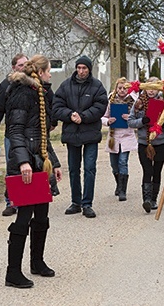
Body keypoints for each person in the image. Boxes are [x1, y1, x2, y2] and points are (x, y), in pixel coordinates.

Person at [4, 54, 63, 288]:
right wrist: (22, 162)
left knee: (42, 216)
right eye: (49, 71)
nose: (51, 74)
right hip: (25, 165)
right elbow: (15, 131)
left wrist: (54, 163)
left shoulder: (42, 94)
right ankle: (12, 273)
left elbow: (42, 135)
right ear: (40, 73)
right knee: (23, 217)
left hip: (40, 163)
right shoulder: (21, 93)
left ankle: (37, 262)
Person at [53, 55, 107, 218]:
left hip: (90, 132)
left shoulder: (97, 86)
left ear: (89, 69)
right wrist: (70, 115)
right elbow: (56, 106)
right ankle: (75, 202)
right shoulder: (65, 86)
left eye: (84, 68)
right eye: (79, 68)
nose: (81, 71)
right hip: (72, 133)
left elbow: (100, 106)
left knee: (90, 168)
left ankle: (87, 203)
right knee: (74, 169)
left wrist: (83, 116)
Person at [0, 54, 28, 217]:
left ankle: (28, 200)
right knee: (12, 168)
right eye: (20, 65)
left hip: (30, 133)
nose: (24, 67)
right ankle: (11, 202)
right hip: (12, 133)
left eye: (26, 64)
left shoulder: (33, 84)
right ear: (13, 68)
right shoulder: (6, 85)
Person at [128, 77, 164, 213]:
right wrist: (142, 121)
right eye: (149, 88)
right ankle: (146, 200)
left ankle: (154, 199)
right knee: (148, 170)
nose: (151, 91)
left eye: (154, 88)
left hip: (160, 142)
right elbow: (130, 122)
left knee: (157, 170)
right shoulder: (139, 103)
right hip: (144, 143)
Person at [101, 77, 136, 201]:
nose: (122, 90)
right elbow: (103, 117)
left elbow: (138, 120)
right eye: (119, 88)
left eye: (124, 88)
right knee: (114, 164)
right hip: (113, 137)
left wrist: (130, 118)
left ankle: (123, 190)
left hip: (126, 136)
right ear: (116, 89)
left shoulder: (133, 102)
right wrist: (108, 121)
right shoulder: (111, 101)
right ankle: (118, 183)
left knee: (123, 162)